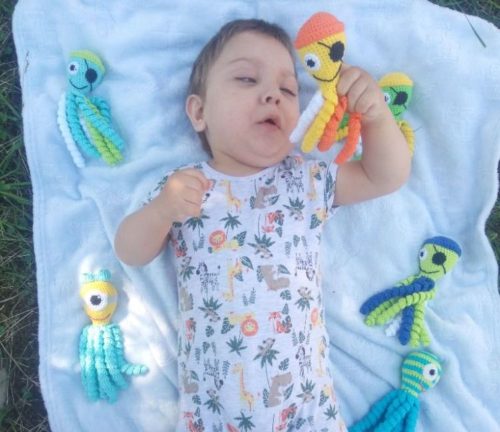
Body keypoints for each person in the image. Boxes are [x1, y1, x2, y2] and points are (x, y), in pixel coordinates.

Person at [115, 17, 410, 432]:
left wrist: (376, 117)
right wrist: (162, 210)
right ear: (199, 112)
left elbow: (385, 176)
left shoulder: (304, 180)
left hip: (306, 414)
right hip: (211, 415)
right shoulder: (184, 187)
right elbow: (129, 250)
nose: (272, 94)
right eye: (247, 79)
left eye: (288, 90)